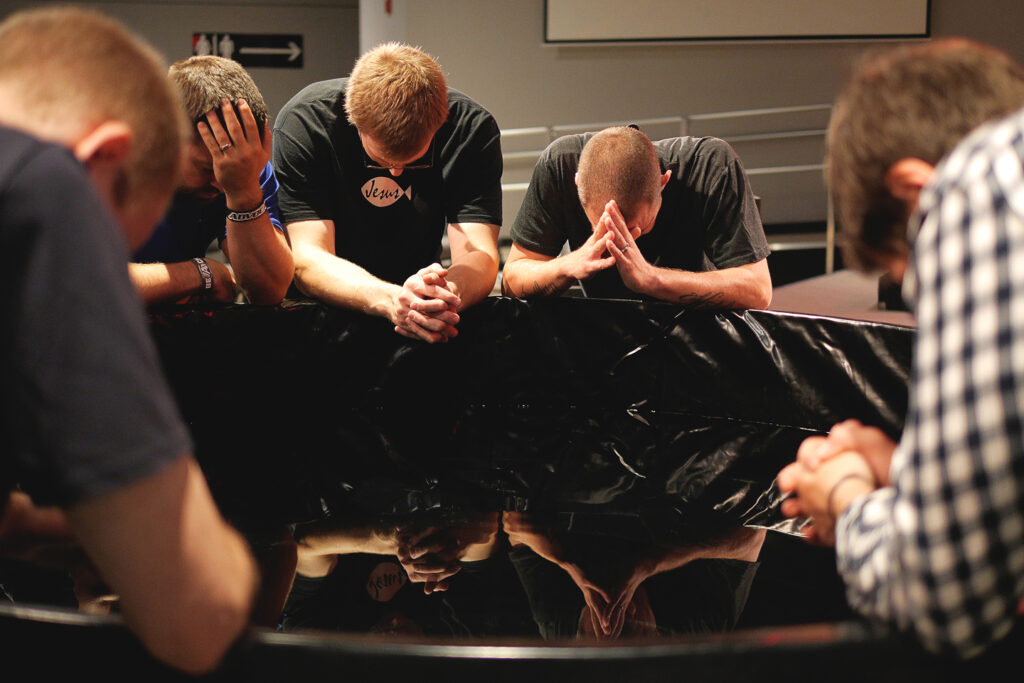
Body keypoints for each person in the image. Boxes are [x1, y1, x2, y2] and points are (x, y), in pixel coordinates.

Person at [0, 7, 257, 674]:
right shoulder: (45, 187)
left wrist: (54, 530)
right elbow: (197, 616)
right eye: (114, 236)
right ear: (104, 156)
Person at [775, 38, 1024, 658]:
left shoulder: (978, 192)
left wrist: (846, 497)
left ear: (916, 190)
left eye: (912, 273)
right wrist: (912, 474)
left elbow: (947, 601)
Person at [272, 42, 502, 343]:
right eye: (382, 161)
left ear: (440, 123)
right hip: (321, 317)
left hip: (418, 306)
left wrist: (443, 295)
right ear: (354, 120)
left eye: (412, 161)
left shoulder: (470, 128)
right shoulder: (306, 123)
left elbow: (481, 255)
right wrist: (393, 300)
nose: (395, 172)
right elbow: (308, 258)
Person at [502, 125, 772, 308]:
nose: (621, 240)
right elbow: (513, 278)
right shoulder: (559, 165)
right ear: (576, 184)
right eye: (603, 228)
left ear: (664, 183)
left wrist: (652, 280)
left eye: (634, 228)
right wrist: (568, 265)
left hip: (700, 342)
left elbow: (758, 290)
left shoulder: (711, 165)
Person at [131, 55, 293, 306]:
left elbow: (269, 290)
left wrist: (244, 192)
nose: (221, 182)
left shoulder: (242, 167)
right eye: (208, 168)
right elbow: (80, 282)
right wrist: (201, 273)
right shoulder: (105, 163)